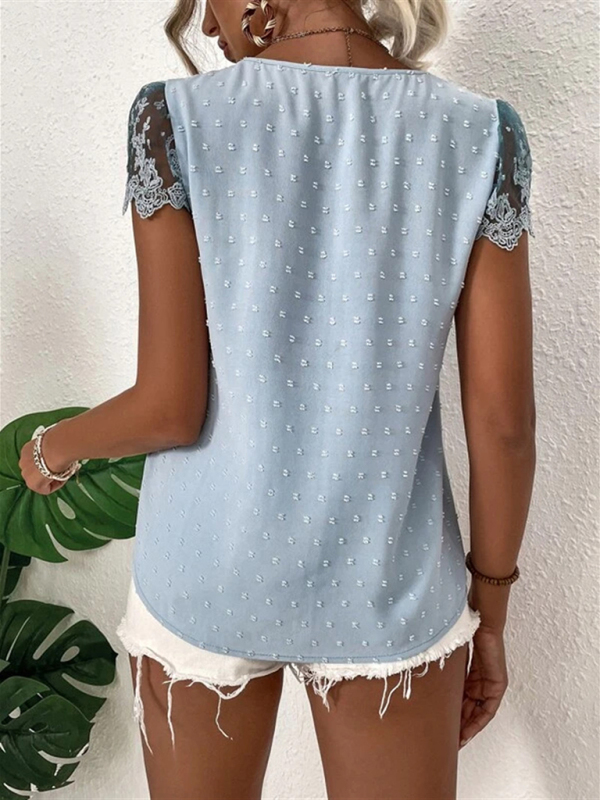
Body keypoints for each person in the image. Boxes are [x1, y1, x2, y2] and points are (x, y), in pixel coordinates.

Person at [19, 0, 537, 797]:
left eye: (205, 6)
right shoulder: (481, 134)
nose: (210, 31)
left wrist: (52, 449)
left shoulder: (172, 119)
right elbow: (504, 424)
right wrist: (490, 614)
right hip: (389, 585)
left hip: (203, 576)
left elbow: (169, 405)